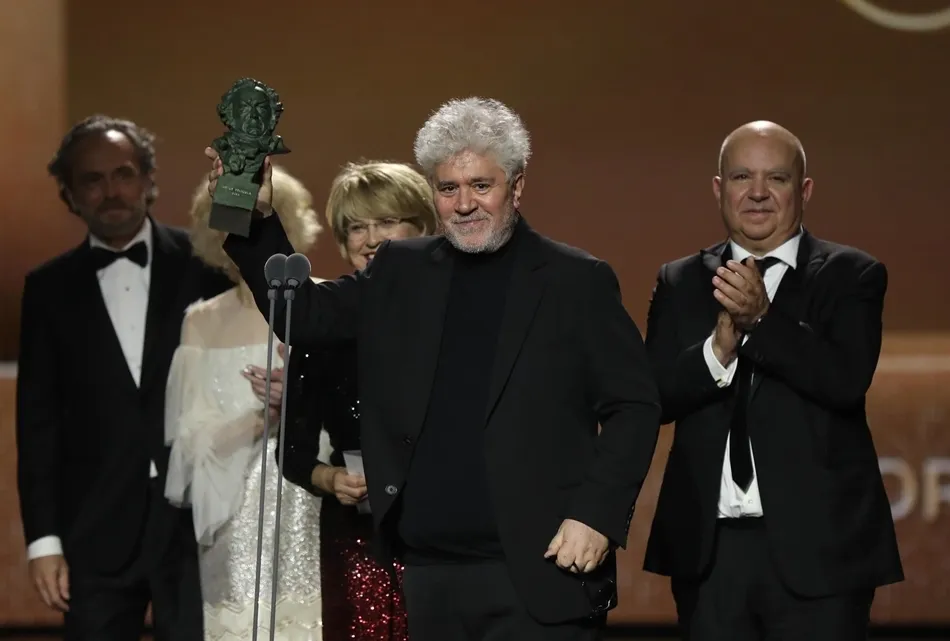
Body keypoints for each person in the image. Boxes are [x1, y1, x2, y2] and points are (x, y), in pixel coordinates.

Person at [210, 97, 661, 641]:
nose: (464, 204)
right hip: (429, 573)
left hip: (543, 571)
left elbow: (634, 406)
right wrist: (252, 217)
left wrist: (597, 515)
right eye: (448, 189)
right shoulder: (401, 270)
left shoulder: (576, 280)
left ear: (516, 186)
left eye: (481, 186)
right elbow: (305, 316)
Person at [642, 120, 903, 641]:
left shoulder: (851, 276)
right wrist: (717, 352)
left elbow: (844, 381)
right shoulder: (680, 281)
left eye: (776, 179)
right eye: (741, 176)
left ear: (803, 190)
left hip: (820, 558)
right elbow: (655, 397)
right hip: (709, 557)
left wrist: (761, 320)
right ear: (719, 188)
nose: (757, 193)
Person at [16, 114, 233, 641]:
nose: (111, 190)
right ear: (69, 193)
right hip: (93, 532)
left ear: (149, 179)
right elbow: (38, 426)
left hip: (194, 524)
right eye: (92, 179)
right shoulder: (47, 291)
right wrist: (44, 543)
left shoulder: (205, 266)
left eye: (124, 173)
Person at [261, 160, 438, 641]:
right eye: (356, 227)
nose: (371, 238)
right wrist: (331, 477)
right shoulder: (324, 327)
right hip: (359, 538)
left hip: (449, 539)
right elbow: (292, 454)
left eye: (386, 221)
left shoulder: (461, 313)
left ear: (425, 226)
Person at [163, 165, 325, 641]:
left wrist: (296, 403)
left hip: (305, 500)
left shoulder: (321, 305)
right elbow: (187, 442)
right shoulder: (200, 321)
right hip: (229, 514)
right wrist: (261, 419)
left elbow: (355, 417)